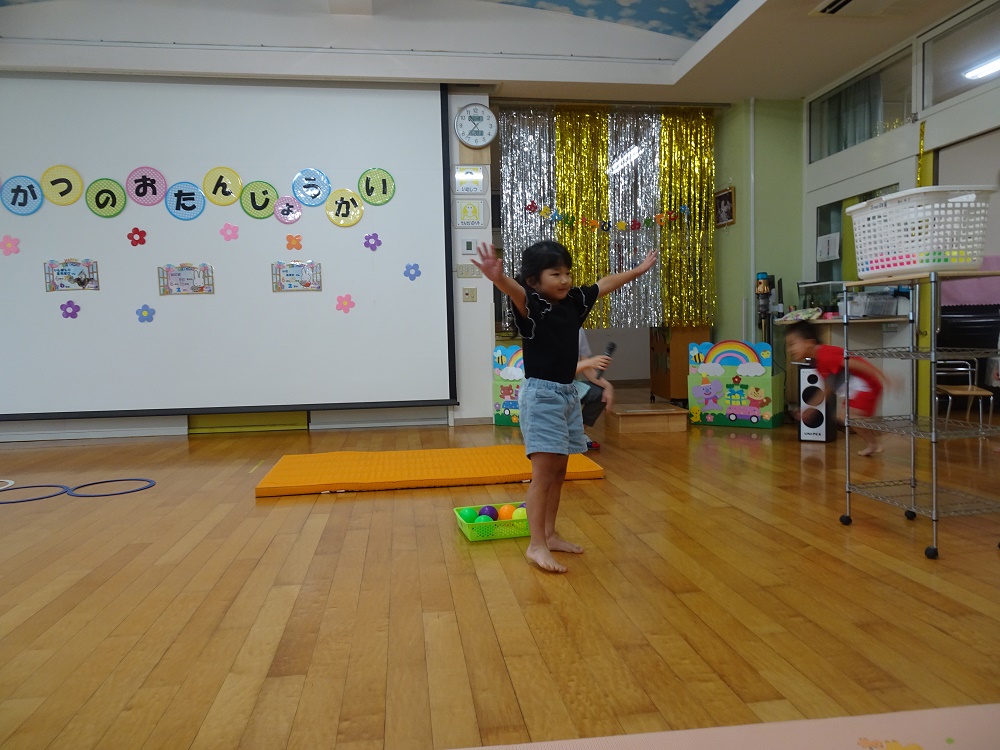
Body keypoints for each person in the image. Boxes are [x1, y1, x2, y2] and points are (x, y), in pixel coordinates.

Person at [473, 239, 656, 573]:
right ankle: (536, 545)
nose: (565, 280)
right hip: (541, 397)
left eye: (567, 273)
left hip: (567, 395)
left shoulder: (573, 301)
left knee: (559, 472)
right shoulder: (534, 305)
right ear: (535, 280)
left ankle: (549, 534)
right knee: (543, 476)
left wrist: (639, 271)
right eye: (555, 274)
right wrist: (497, 279)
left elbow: (604, 284)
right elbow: (516, 291)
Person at [785, 320, 889, 456]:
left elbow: (857, 364)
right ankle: (872, 444)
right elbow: (828, 388)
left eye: (792, 344)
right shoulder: (818, 362)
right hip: (855, 390)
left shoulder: (825, 356)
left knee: (847, 416)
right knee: (846, 417)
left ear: (809, 343)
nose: (790, 350)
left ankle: (883, 432)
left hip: (866, 385)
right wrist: (809, 409)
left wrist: (883, 377)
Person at [575, 329, 614, 450]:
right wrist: (588, 363)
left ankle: (577, 434)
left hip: (571, 385)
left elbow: (588, 369)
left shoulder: (579, 330)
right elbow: (554, 371)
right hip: (547, 387)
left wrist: (608, 386)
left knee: (599, 393)